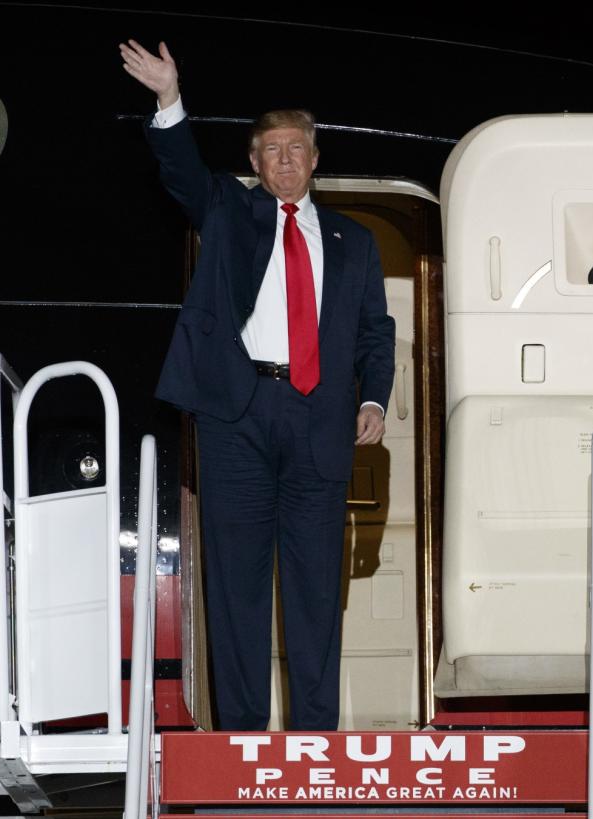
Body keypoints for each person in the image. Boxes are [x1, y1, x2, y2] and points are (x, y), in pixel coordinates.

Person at [119, 39, 395, 731]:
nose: (285, 160)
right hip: (237, 417)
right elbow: (181, 171)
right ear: (254, 162)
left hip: (319, 419)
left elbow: (374, 334)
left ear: (315, 157)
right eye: (271, 150)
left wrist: (372, 398)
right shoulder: (230, 213)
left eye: (296, 148)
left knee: (313, 591)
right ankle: (239, 741)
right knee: (237, 586)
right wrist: (168, 98)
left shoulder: (354, 242)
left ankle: (313, 740)